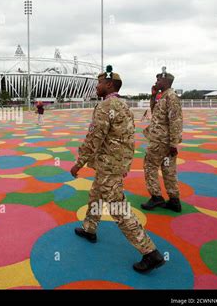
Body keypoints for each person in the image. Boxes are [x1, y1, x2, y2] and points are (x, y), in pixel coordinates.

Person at [70, 65, 165, 273]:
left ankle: (150, 252)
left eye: (100, 82)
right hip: (115, 163)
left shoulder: (105, 107)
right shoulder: (123, 106)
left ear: (109, 84)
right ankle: (89, 228)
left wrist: (79, 163)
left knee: (117, 208)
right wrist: (124, 164)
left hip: (108, 165)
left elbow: (95, 138)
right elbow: (128, 138)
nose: (96, 86)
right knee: (96, 194)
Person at [141, 67, 183, 212]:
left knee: (150, 166)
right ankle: (174, 200)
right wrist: (153, 96)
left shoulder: (171, 97)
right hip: (164, 141)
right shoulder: (163, 96)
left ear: (165, 81)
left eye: (159, 79)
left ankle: (156, 197)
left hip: (161, 141)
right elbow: (154, 113)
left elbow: (175, 121)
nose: (156, 81)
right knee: (168, 169)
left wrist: (173, 143)